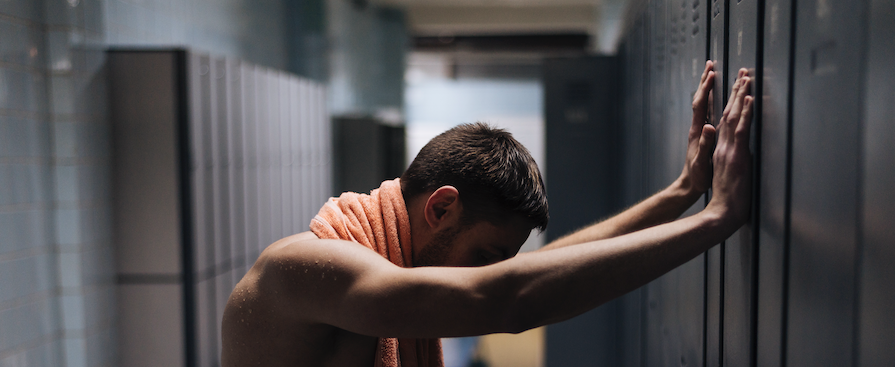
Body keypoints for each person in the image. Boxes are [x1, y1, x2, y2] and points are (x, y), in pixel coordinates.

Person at [221, 62, 753, 367]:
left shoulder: (388, 259)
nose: (488, 270)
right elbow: (506, 299)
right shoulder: (303, 268)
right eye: (485, 254)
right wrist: (715, 221)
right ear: (442, 206)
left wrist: (683, 193)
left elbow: (518, 277)